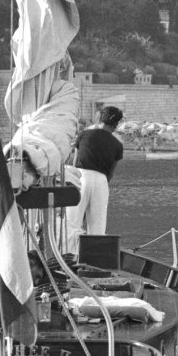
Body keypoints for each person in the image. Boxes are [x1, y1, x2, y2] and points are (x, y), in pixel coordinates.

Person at [66, 105, 124, 255]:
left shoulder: (84, 135)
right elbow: (111, 173)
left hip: (81, 176)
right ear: (116, 124)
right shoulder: (117, 145)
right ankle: (95, 261)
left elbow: (75, 162)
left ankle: (69, 257)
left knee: (72, 222)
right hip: (101, 181)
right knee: (97, 225)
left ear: (99, 118)